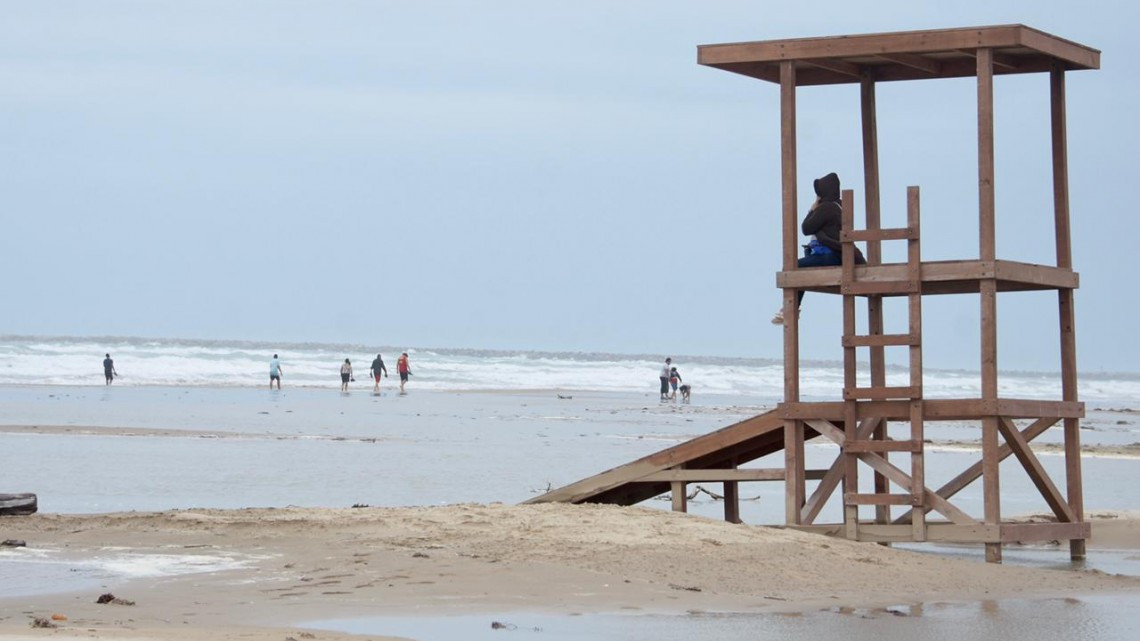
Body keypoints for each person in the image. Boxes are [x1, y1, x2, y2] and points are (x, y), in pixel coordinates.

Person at [772, 172, 867, 325]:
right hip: (837, 255)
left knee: (793, 267)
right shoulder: (838, 206)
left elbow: (806, 228)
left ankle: (791, 310)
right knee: (799, 270)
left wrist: (812, 209)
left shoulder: (827, 207)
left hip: (830, 255)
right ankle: (792, 309)